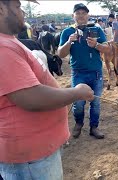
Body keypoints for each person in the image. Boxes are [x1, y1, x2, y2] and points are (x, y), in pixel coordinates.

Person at [0, 0, 94, 179]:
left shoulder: (10, 41)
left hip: (35, 154)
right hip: (30, 158)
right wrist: (76, 92)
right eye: (18, 6)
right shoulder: (3, 47)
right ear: (2, 8)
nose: (24, 12)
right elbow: (30, 96)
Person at [58, 3, 110, 139]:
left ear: (88, 15)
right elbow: (60, 54)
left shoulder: (96, 30)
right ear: (73, 15)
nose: (81, 15)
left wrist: (96, 45)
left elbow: (108, 48)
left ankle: (94, 127)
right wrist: (69, 42)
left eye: (83, 13)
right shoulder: (67, 32)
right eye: (78, 13)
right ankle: (78, 123)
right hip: (78, 73)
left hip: (96, 73)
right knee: (78, 103)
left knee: (96, 102)